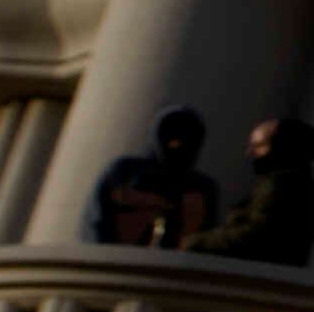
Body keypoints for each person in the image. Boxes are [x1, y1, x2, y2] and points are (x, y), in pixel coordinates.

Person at [182, 116, 314, 266]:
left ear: (281, 148)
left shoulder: (283, 186)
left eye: (258, 146)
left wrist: (192, 243)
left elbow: (254, 237)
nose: (250, 153)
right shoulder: (292, 184)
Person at [83, 105, 219, 249]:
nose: (179, 144)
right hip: (116, 261)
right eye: (173, 134)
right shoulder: (125, 171)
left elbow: (207, 237)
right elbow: (98, 219)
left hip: (173, 266)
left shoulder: (203, 188)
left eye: (188, 137)